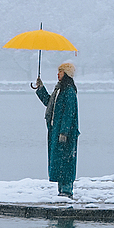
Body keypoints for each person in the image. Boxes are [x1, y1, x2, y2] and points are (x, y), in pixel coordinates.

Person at [34, 60, 79, 199]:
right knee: (59, 161)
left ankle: (66, 190)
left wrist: (64, 132)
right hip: (56, 131)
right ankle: (62, 190)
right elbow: (50, 104)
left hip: (65, 133)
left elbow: (69, 114)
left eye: (60, 71)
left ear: (66, 74)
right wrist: (40, 89)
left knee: (66, 161)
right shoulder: (59, 90)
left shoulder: (69, 91)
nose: (58, 74)